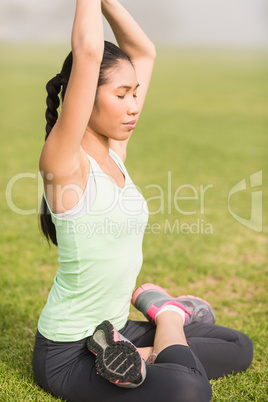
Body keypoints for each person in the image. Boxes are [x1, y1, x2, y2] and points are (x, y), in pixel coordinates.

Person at [32, 1, 253, 401]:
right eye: (121, 94)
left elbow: (145, 50)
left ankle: (140, 341)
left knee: (238, 347)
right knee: (190, 390)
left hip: (113, 328)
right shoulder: (64, 163)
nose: (134, 105)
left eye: (135, 92)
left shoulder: (116, 150)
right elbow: (87, 51)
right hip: (67, 353)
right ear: (84, 96)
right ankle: (165, 316)